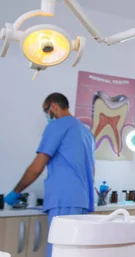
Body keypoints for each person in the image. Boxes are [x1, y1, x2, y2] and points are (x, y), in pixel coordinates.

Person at [4, 93, 95, 257]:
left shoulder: (57, 126)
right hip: (82, 201)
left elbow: (37, 167)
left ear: (53, 106)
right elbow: (91, 170)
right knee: (76, 252)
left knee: (59, 251)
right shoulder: (86, 132)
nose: (47, 116)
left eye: (46, 111)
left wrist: (15, 192)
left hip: (63, 199)